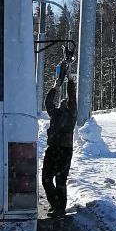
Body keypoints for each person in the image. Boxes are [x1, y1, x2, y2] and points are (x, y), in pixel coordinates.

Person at [42, 62, 76, 217]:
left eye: (66, 101)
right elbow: (48, 102)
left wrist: (70, 80)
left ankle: (60, 209)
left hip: (64, 150)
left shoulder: (72, 115)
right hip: (53, 149)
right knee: (46, 179)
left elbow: (72, 96)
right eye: (62, 101)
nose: (64, 101)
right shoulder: (54, 114)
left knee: (60, 180)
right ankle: (55, 205)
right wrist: (56, 87)